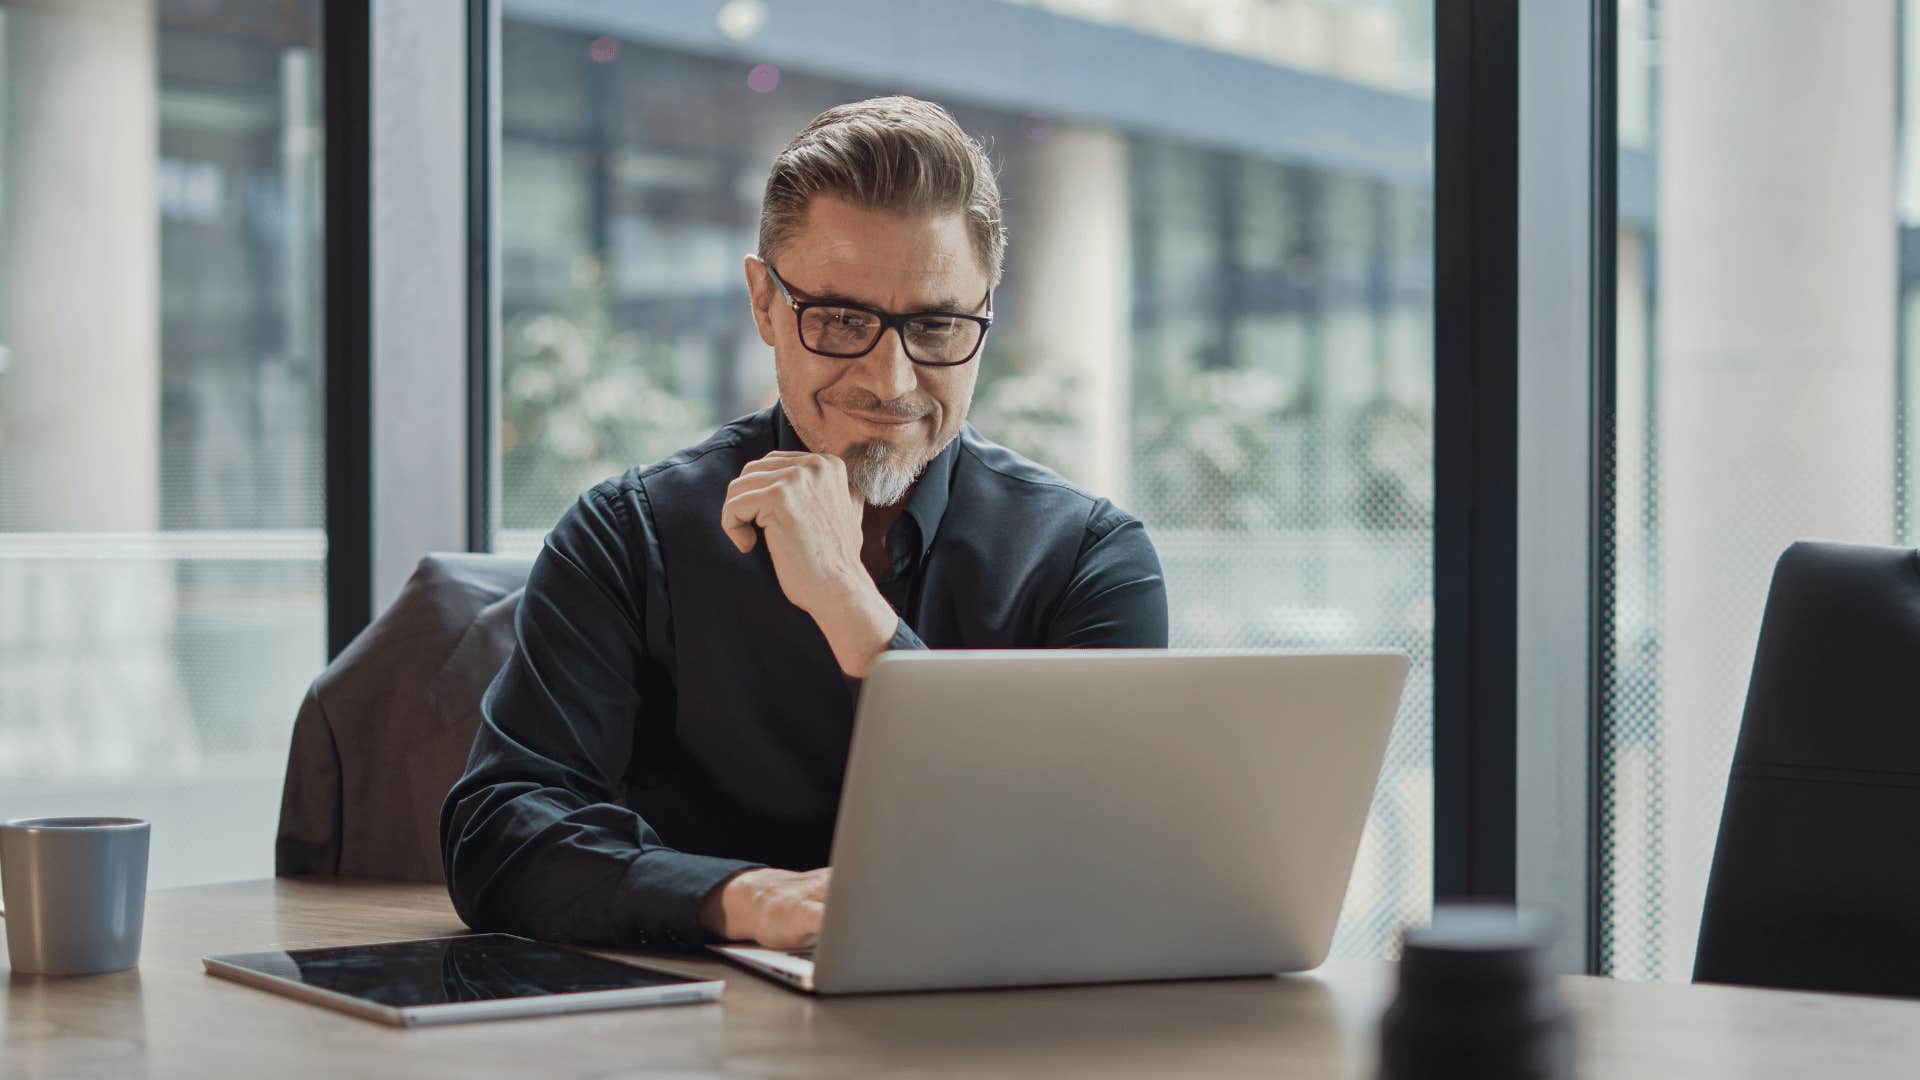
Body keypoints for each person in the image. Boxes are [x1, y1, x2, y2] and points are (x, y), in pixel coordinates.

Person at [440, 96, 1168, 953]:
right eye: (841, 320)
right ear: (764, 305)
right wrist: (745, 901)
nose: (891, 379)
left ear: (984, 318)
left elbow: (1097, 863)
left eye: (935, 325)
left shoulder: (1092, 561)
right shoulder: (628, 535)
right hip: (693, 1033)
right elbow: (498, 835)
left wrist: (849, 606)